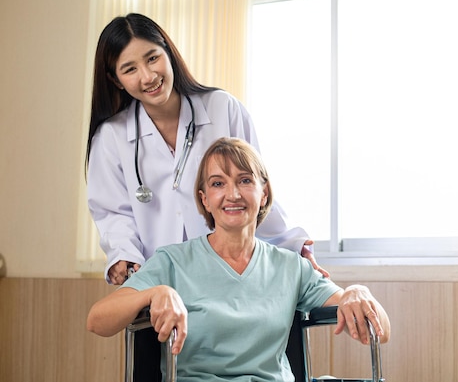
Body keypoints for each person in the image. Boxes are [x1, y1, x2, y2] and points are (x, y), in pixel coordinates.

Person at [86, 137, 390, 382]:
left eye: (245, 180)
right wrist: (155, 293)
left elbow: (381, 331)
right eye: (218, 184)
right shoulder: (173, 262)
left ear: (264, 193)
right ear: (204, 199)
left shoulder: (290, 267)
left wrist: (357, 291)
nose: (232, 194)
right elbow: (97, 321)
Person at [86, 13, 327, 284]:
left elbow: (254, 188)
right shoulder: (111, 137)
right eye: (130, 69)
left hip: (232, 276)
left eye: (153, 58)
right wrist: (123, 255)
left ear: (168, 51)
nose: (148, 76)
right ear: (116, 80)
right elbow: (113, 213)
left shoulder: (223, 108)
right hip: (160, 284)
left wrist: (294, 245)